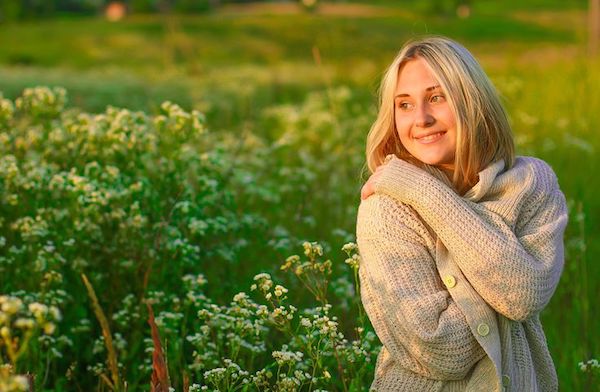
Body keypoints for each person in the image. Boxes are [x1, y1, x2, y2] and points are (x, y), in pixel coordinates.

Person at [357, 36, 568, 391]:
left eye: (437, 97)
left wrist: (425, 193)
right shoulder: (387, 206)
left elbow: (523, 295)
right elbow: (437, 348)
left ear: (473, 101)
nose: (421, 118)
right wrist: (498, 280)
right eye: (404, 105)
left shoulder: (532, 184)